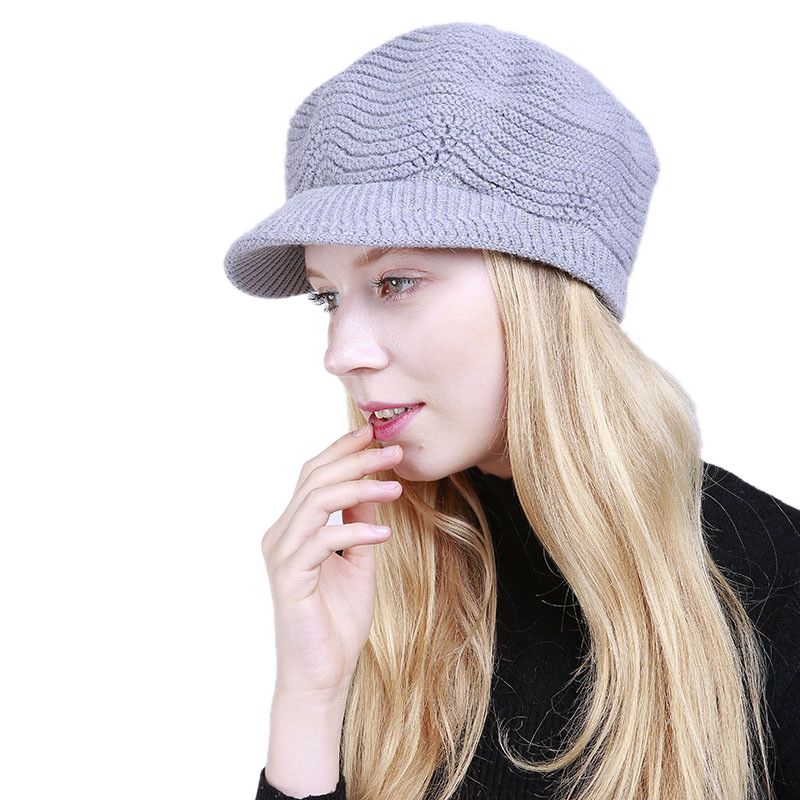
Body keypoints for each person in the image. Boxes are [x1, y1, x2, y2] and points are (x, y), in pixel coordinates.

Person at [222, 22, 800, 800]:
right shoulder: (369, 572)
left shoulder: (773, 582)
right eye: (327, 298)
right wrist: (309, 696)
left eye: (395, 282)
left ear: (541, 291)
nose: (341, 352)